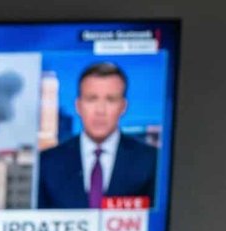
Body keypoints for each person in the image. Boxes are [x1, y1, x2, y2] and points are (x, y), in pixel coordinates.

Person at [36, 61, 158, 209]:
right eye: (91, 99)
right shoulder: (47, 163)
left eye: (110, 100)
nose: (100, 110)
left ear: (123, 107)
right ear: (78, 106)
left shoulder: (150, 160)